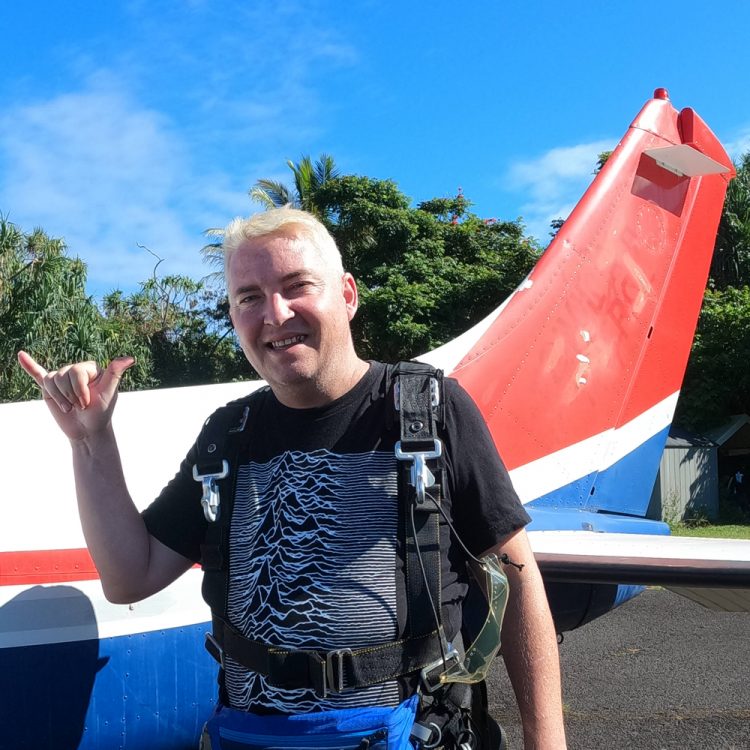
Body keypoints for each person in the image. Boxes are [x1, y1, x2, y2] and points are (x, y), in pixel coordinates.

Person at [18, 207, 566, 749]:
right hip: (253, 737)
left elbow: (518, 580)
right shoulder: (228, 434)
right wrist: (90, 439)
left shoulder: (427, 411)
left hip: (407, 732)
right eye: (249, 297)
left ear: (347, 294)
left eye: (296, 285)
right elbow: (128, 577)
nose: (275, 315)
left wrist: (547, 741)